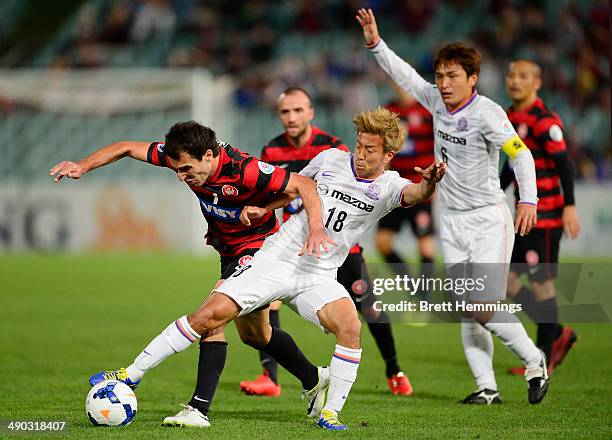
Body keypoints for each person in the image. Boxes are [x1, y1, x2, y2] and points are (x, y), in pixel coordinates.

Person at [50, 121, 334, 427]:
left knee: (211, 315)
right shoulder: (182, 157)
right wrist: (83, 166)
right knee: (256, 335)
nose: (181, 176)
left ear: (209, 156)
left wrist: (315, 229)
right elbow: (126, 147)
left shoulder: (246, 169)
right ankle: (314, 378)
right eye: (176, 169)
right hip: (230, 252)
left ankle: (197, 410)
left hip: (260, 250)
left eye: (186, 169)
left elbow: (305, 185)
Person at [356, 8, 549, 405]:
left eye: (452, 76)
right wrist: (376, 44)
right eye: (440, 75)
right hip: (452, 220)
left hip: (487, 220)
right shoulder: (436, 101)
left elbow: (520, 154)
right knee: (468, 308)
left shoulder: (489, 114)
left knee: (481, 305)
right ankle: (486, 387)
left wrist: (527, 198)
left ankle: (535, 360)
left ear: (472, 78)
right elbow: (404, 75)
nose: (443, 84)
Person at [239, 86, 413, 398]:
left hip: (341, 249)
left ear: (310, 113)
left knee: (368, 307)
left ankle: (394, 370)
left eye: (297, 111)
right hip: (301, 243)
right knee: (269, 302)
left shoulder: (333, 148)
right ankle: (271, 377)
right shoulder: (272, 150)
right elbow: (280, 192)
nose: (291, 118)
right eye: (284, 112)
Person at [502, 59, 580, 375]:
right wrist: (494, 190)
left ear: (537, 83)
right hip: (523, 215)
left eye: (523, 76)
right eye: (511, 75)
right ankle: (557, 331)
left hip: (545, 218)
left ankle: (542, 359)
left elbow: (565, 165)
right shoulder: (509, 117)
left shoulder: (545, 122)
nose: (515, 81)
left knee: (541, 288)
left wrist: (570, 206)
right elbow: (512, 166)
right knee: (505, 281)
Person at [376, 82, 436, 298]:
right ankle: (412, 284)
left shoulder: (427, 111)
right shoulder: (388, 112)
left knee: (425, 244)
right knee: (382, 243)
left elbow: (441, 148)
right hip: (394, 188)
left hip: (420, 188)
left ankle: (425, 296)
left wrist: (434, 183)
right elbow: (384, 151)